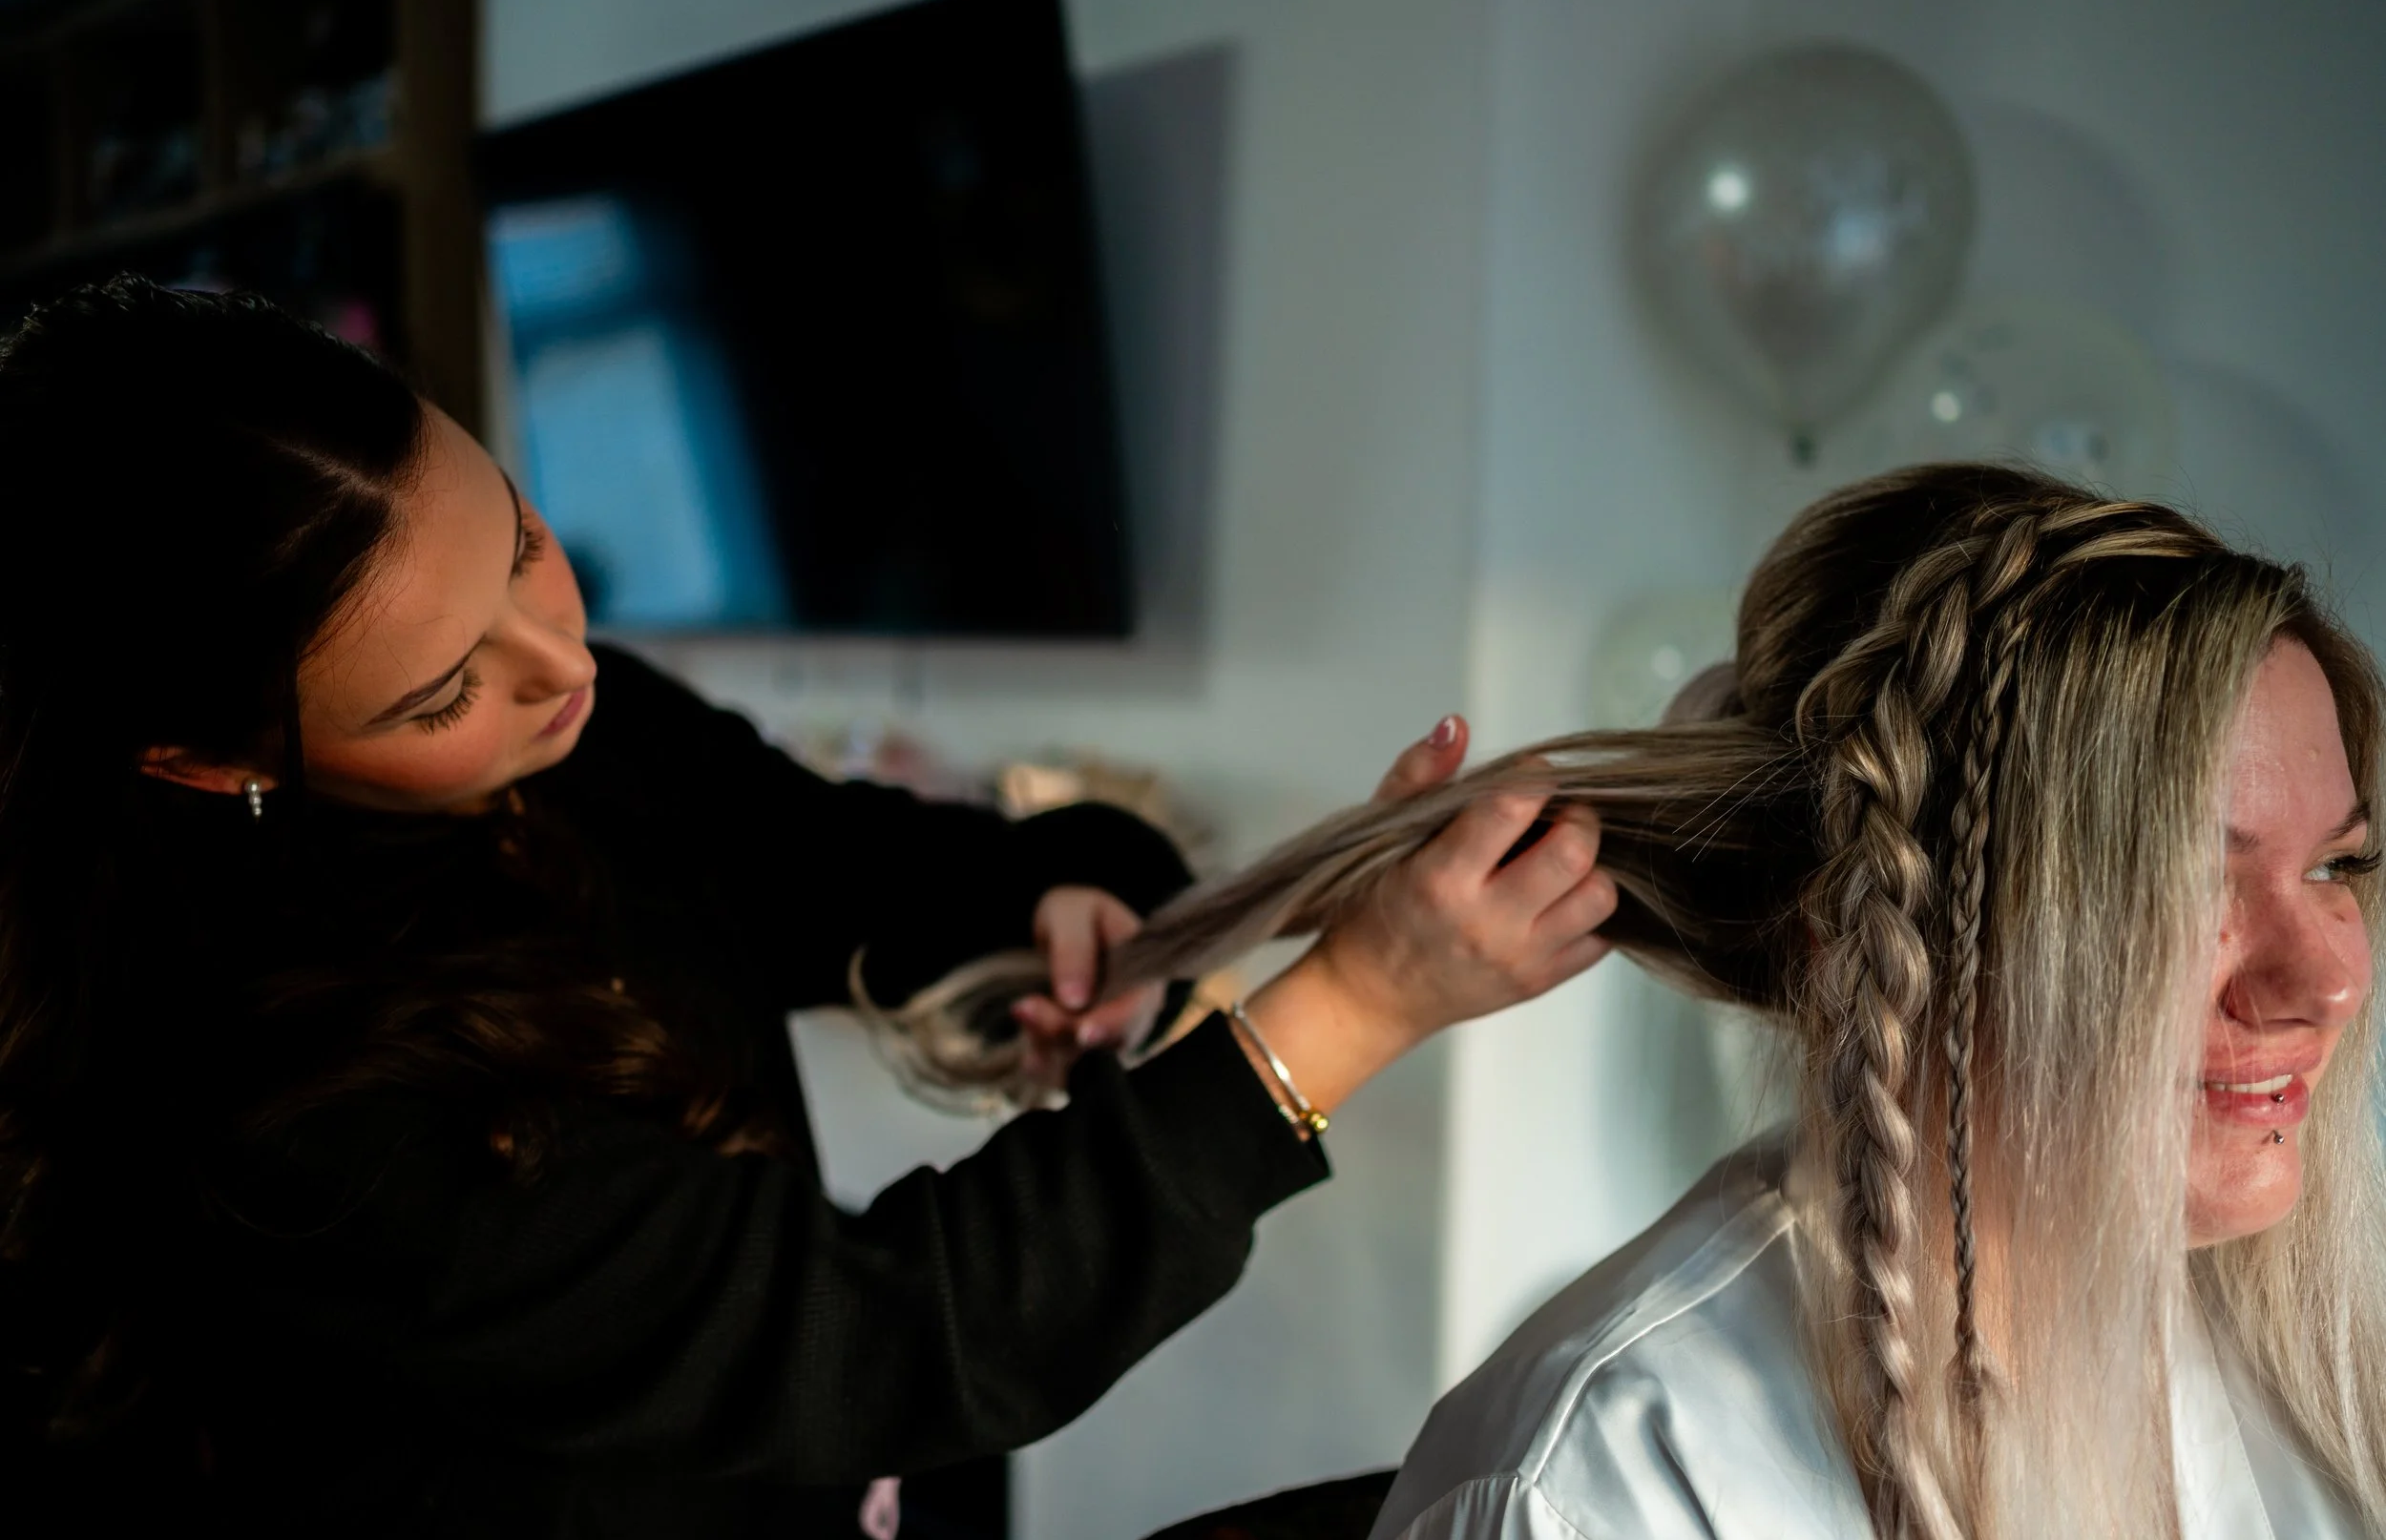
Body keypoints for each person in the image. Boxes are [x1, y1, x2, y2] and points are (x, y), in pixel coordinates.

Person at [0, 277, 1621, 1536]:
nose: (559, 664)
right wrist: (1361, 999)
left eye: (523, 541)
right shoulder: (281, 1106)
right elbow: (882, 1329)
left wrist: (1082, 899)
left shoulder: (587, 730)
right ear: (208, 761)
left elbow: (871, 863)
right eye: (442, 696)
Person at [1053, 467, 2385, 1536]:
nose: (2326, 975)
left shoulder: (2318, 1384)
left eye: (2339, 862)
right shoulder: (1606, 1491)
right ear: (1864, 939)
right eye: (2180, 885)